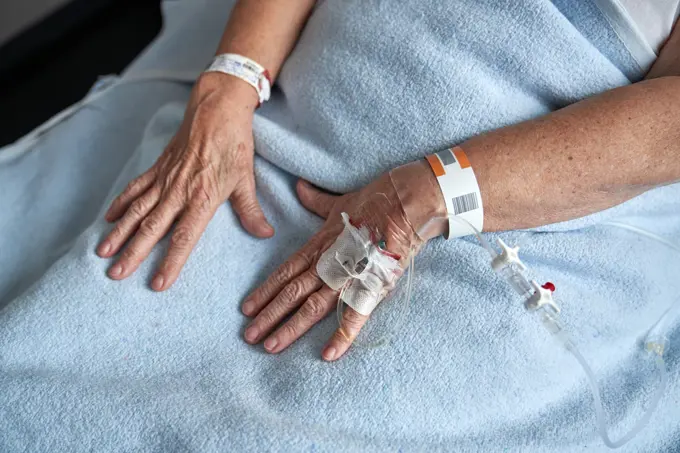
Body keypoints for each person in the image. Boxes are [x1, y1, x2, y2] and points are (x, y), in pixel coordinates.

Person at [95, 0, 680, 362]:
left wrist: (427, 198)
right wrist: (231, 82)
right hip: (273, 125)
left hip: (509, 196)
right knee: (112, 294)